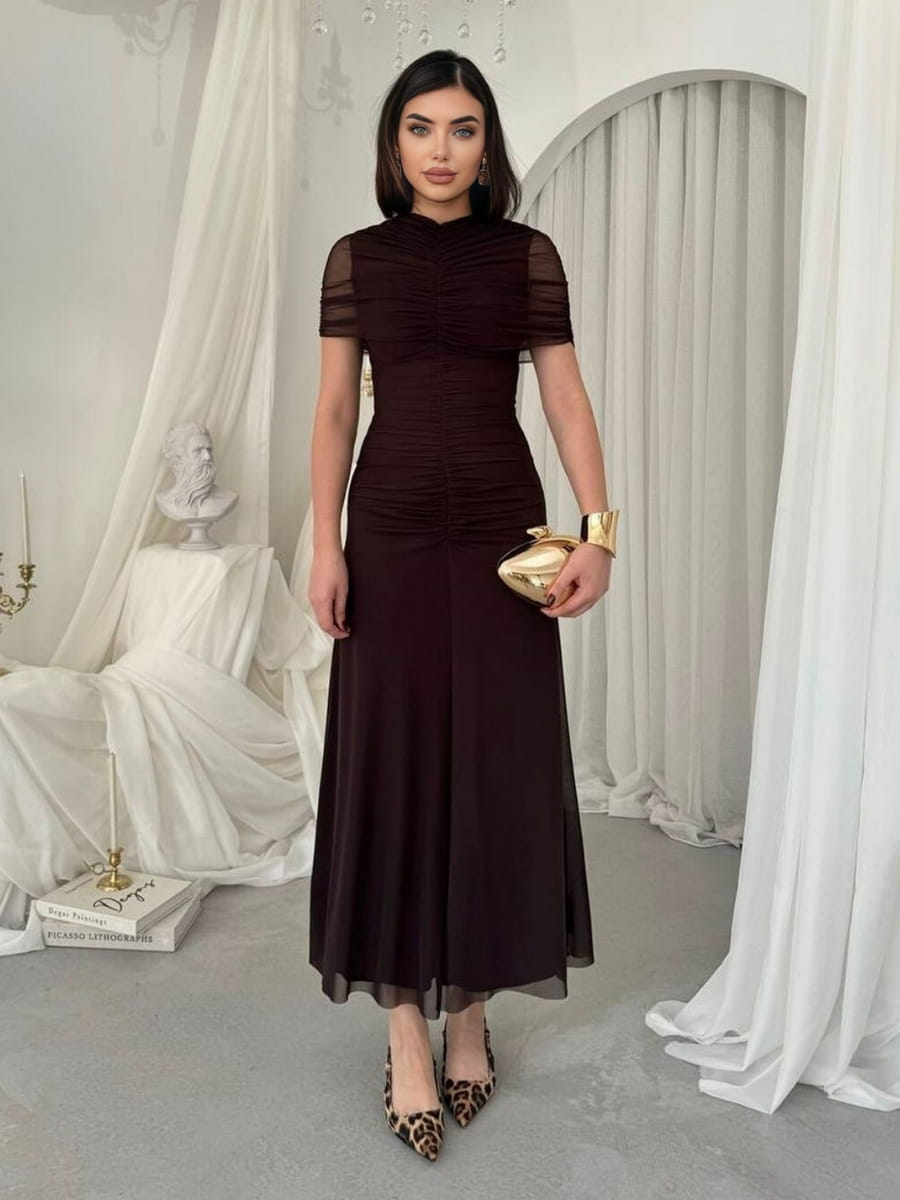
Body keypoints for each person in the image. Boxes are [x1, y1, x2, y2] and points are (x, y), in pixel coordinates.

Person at [307, 49, 616, 1162]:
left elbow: (564, 395)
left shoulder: (528, 256)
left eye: (464, 129)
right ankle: (404, 1030)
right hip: (388, 530)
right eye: (421, 128)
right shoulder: (356, 259)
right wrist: (324, 543)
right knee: (392, 758)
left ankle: (472, 1009)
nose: (441, 150)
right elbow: (335, 410)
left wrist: (597, 531)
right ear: (394, 144)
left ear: (488, 148)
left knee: (496, 759)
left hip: (500, 529)